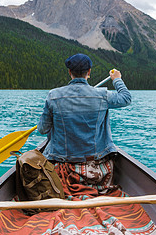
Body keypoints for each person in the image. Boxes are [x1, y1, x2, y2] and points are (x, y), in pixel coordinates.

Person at [37, 53, 131, 194]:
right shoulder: (103, 95)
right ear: (89, 72)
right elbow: (126, 98)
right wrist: (117, 80)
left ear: (70, 72)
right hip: (95, 166)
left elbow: (43, 129)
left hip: (62, 164)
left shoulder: (53, 96)